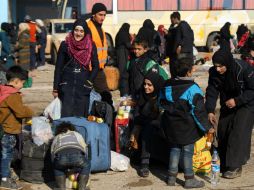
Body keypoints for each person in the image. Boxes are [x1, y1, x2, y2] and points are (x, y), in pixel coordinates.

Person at [159, 58, 213, 188]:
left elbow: (160, 103)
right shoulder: (193, 89)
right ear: (188, 72)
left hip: (171, 126)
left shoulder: (166, 85)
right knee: (188, 152)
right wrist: (207, 128)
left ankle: (171, 178)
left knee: (174, 149)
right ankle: (189, 179)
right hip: (187, 127)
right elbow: (198, 112)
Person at [205, 48, 254, 179]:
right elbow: (211, 91)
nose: (218, 69)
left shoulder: (243, 69)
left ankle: (235, 166)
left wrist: (237, 101)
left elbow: (252, 90)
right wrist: (210, 110)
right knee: (223, 130)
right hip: (228, 103)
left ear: (228, 63)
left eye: (221, 66)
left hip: (246, 103)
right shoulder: (214, 73)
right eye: (215, 66)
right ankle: (226, 162)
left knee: (238, 132)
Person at [53, 19, 99, 117]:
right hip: (66, 86)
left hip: (83, 86)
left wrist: (89, 83)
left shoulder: (90, 45)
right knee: (66, 117)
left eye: (81, 31)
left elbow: (96, 67)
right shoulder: (65, 44)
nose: (78, 34)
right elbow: (58, 68)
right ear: (73, 30)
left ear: (85, 32)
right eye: (76, 30)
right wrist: (56, 88)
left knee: (81, 117)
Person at [0, 65, 33, 190]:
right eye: (22, 83)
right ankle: (4, 179)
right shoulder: (12, 95)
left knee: (5, 154)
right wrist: (30, 111)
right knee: (6, 155)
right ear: (15, 81)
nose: (22, 86)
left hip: (4, 128)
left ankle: (5, 174)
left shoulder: (4, 90)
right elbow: (20, 112)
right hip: (9, 130)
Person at [131, 70, 165, 177]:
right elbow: (137, 115)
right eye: (145, 84)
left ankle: (147, 162)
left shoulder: (162, 98)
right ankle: (144, 162)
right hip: (145, 127)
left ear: (156, 85)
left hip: (160, 128)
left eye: (149, 85)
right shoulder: (142, 95)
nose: (146, 87)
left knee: (149, 126)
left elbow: (161, 118)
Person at [51, 122, 90, 190]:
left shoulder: (56, 137)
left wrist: (54, 163)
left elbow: (52, 152)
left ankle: (61, 188)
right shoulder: (77, 134)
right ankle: (82, 187)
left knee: (58, 168)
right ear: (71, 128)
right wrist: (84, 158)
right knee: (86, 165)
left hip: (60, 157)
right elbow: (85, 148)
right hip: (77, 155)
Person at [87, 3, 109, 93]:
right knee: (106, 95)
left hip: (99, 68)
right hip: (91, 69)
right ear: (93, 14)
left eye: (104, 15)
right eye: (100, 15)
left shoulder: (101, 29)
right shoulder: (88, 28)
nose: (103, 18)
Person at [169, 12, 194, 77]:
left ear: (175, 18)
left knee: (183, 71)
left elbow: (186, 37)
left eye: (171, 19)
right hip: (184, 53)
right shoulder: (180, 26)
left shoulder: (183, 25)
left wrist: (180, 45)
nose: (171, 21)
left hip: (184, 54)